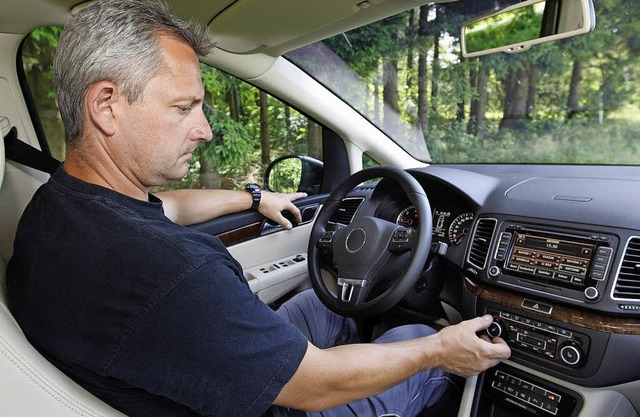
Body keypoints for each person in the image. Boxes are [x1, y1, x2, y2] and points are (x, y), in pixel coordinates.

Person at [6, 0, 511, 416]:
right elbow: (314, 387)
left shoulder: (57, 208)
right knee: (416, 333)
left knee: (323, 301)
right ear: (107, 106)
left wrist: (254, 197)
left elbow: (167, 208)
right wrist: (441, 350)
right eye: (184, 107)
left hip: (174, 372)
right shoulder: (169, 269)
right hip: (285, 402)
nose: (203, 130)